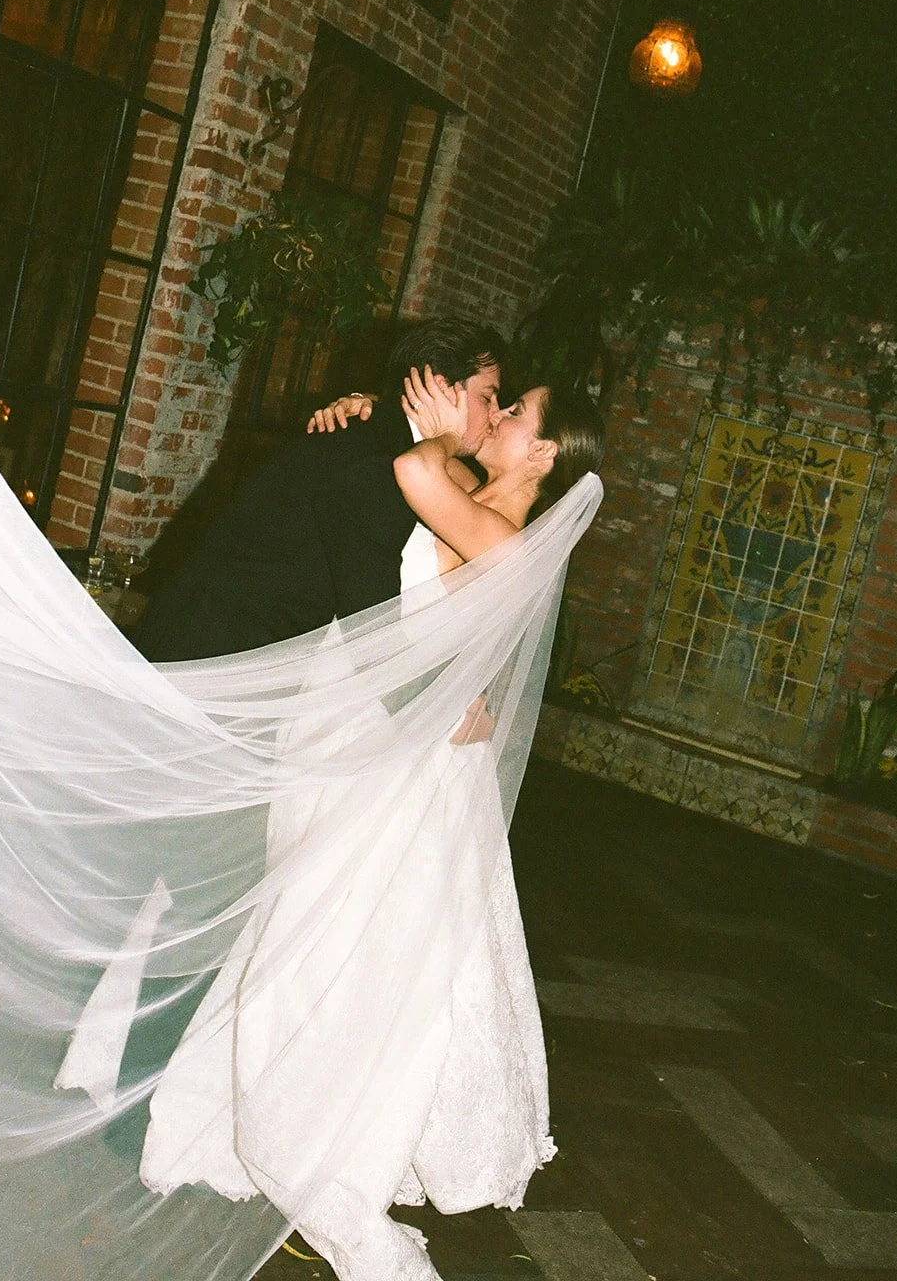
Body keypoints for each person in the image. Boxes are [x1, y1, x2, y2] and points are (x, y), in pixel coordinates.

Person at [132, 366, 607, 1280]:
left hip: (389, 767)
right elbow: (388, 490)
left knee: (339, 949)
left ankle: (322, 1151)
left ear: (544, 452)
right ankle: (257, 1127)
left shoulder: (500, 528)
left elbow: (415, 479)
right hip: (353, 732)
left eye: (513, 415)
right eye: (496, 404)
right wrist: (357, 408)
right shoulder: (473, 494)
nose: (496, 418)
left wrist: (427, 432)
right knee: (304, 933)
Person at [133, 317, 506, 661]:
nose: (495, 414)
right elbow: (371, 631)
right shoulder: (373, 461)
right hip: (211, 657)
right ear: (441, 387)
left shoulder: (380, 438)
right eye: (487, 397)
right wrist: (446, 710)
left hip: (229, 651)